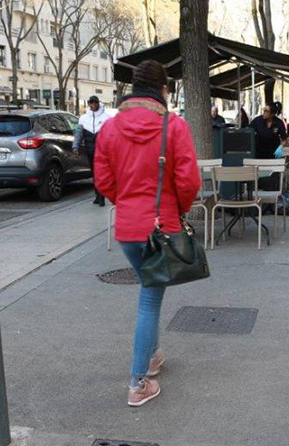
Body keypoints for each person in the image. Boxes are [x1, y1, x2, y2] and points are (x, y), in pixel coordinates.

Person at [94, 60, 201, 407]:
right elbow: (188, 181)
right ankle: (138, 382)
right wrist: (179, 208)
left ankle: (153, 357)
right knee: (150, 298)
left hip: (127, 226)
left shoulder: (109, 129)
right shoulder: (174, 127)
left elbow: (103, 180)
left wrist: (125, 202)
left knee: (148, 290)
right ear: (163, 90)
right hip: (161, 225)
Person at [74, 95, 113, 206]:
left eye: (95, 102)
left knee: (100, 174)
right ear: (89, 104)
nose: (93, 104)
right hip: (90, 150)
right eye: (91, 102)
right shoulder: (83, 118)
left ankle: (101, 197)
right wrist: (75, 147)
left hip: (102, 152)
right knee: (95, 174)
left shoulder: (106, 118)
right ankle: (98, 196)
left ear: (98, 103)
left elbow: (111, 135)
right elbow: (78, 135)